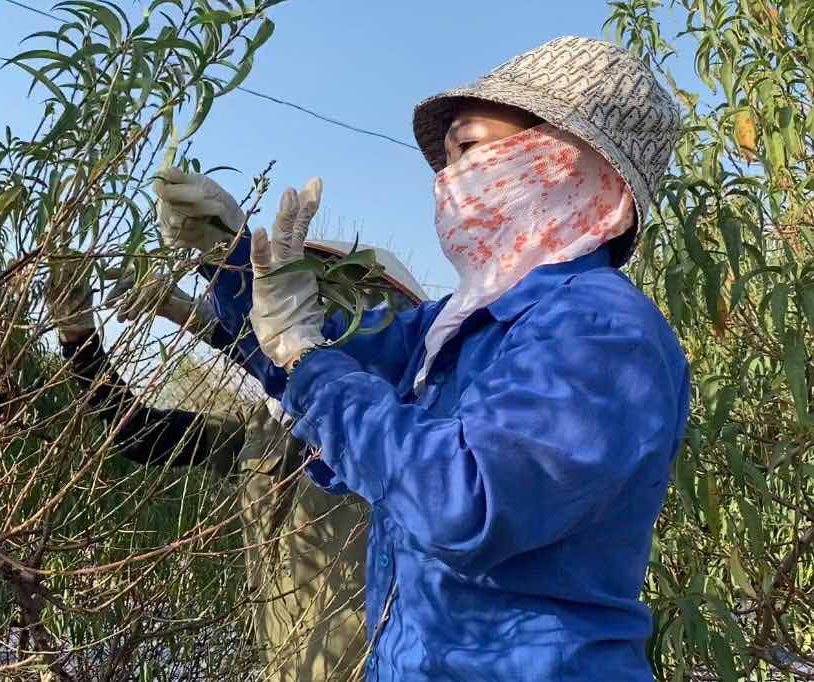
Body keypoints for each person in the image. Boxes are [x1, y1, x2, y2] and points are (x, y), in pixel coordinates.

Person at [153, 37, 690, 681]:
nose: (448, 177)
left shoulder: (601, 331)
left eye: (469, 148)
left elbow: (465, 502)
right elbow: (330, 360)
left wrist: (308, 360)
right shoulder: (459, 323)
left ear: (563, 161)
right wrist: (234, 264)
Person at [44, 242, 425, 681]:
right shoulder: (265, 431)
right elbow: (139, 435)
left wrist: (204, 322)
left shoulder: (416, 446)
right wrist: (79, 339)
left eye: (350, 306)